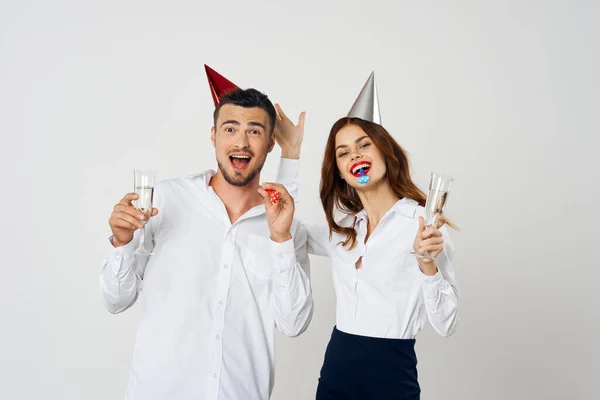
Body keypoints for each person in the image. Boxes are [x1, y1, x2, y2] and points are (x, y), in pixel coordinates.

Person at [99, 81, 313, 400]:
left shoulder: (284, 227)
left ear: (270, 143)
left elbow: (294, 323)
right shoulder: (166, 200)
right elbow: (116, 300)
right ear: (213, 136)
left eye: (254, 131)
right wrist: (121, 242)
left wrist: (281, 238)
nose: (241, 142)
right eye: (230, 129)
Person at [275, 72, 459, 399]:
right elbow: (283, 224)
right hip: (336, 369)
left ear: (385, 152)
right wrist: (290, 153)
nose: (355, 156)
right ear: (341, 171)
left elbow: (447, 325)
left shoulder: (421, 224)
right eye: (344, 152)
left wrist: (427, 265)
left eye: (364, 145)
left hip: (390, 374)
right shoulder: (345, 231)